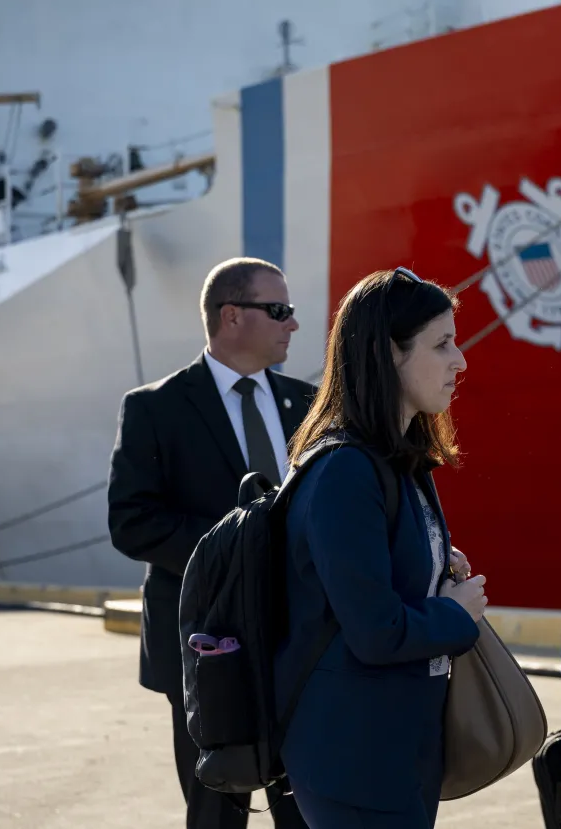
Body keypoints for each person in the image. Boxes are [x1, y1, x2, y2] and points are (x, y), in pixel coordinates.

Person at [273, 266, 488, 828]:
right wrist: (455, 615)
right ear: (388, 354)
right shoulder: (346, 469)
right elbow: (375, 631)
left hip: (395, 741)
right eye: (442, 344)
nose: (459, 360)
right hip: (354, 753)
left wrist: (435, 565)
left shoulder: (397, 461)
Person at [107, 256, 313, 828]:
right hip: (206, 646)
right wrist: (236, 551)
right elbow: (133, 521)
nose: (293, 324)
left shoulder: (310, 403)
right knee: (216, 811)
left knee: (306, 807)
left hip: (298, 639)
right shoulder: (155, 408)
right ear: (231, 317)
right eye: (280, 311)